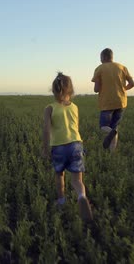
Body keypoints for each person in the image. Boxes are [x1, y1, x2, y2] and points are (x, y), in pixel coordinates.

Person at [42, 72, 93, 222]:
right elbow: (75, 127)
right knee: (77, 180)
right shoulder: (75, 107)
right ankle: (81, 196)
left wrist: (45, 149)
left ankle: (61, 200)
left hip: (58, 146)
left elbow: (46, 130)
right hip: (76, 144)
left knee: (59, 175)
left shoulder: (49, 108)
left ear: (53, 90)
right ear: (71, 90)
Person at [91, 48, 134, 151]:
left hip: (107, 102)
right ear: (112, 57)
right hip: (121, 102)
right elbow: (132, 84)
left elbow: (96, 89)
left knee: (104, 126)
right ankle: (112, 153)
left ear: (103, 57)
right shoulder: (122, 67)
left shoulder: (100, 68)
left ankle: (111, 133)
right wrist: (123, 89)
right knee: (114, 128)